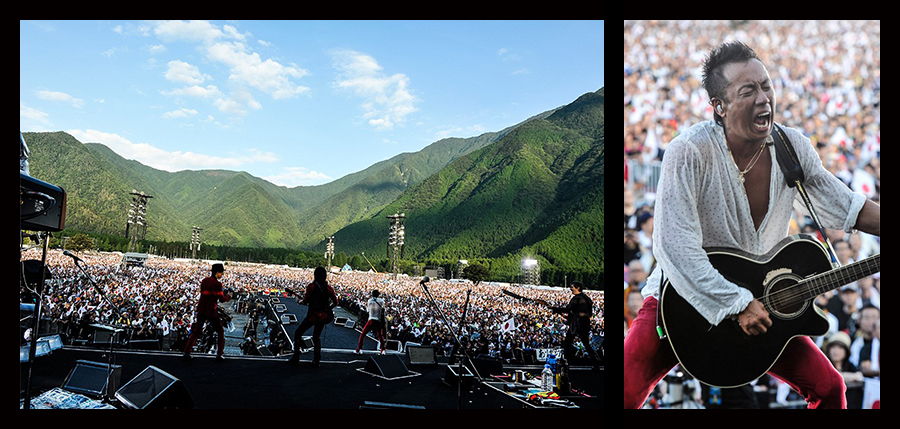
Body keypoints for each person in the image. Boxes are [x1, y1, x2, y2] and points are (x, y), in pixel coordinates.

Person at [624, 40, 880, 409]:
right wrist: (735, 303)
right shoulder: (689, 152)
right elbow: (672, 246)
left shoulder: (792, 148)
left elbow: (848, 206)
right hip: (678, 303)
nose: (764, 99)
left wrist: (750, 303)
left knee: (830, 389)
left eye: (766, 86)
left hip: (767, 303)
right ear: (719, 108)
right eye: (748, 91)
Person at [288, 266, 337, 367]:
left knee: (298, 333)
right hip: (323, 316)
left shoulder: (311, 286)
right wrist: (328, 309)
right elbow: (336, 302)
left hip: (312, 316)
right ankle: (316, 360)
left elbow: (305, 301)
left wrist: (299, 301)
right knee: (316, 337)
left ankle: (296, 357)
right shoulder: (329, 288)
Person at [183, 263, 231, 361]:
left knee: (196, 331)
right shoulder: (217, 284)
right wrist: (229, 296)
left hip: (201, 309)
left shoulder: (204, 281)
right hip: (211, 311)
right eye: (221, 273)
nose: (222, 275)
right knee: (220, 331)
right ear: (217, 273)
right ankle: (219, 354)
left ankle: (187, 351)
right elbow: (221, 299)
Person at [552, 282, 601, 370]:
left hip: (576, 324)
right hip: (585, 323)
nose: (570, 289)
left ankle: (567, 362)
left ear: (577, 288)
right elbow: (589, 313)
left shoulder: (576, 298)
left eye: (572, 287)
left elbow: (567, 309)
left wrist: (555, 309)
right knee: (586, 344)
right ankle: (596, 364)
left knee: (567, 342)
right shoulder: (587, 299)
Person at [355, 289, 386, 354]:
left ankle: (359, 349)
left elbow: (368, 310)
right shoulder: (381, 301)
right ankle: (383, 350)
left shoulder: (369, 301)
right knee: (380, 336)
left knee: (363, 334)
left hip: (371, 319)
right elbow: (383, 310)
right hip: (378, 320)